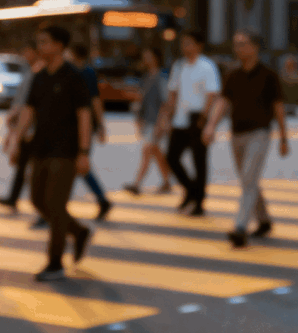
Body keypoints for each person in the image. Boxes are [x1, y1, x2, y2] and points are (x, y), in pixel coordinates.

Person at [5, 25, 92, 282]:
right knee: (37, 200)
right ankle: (78, 231)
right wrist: (16, 141)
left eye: (44, 42)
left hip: (65, 152)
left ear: (58, 46)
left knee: (55, 205)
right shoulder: (40, 77)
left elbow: (84, 116)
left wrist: (84, 151)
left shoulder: (74, 78)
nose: (39, 47)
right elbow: (28, 112)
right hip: (40, 148)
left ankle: (55, 263)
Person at [202, 31, 289, 248]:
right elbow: (223, 102)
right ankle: (264, 220)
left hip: (259, 133)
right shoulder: (233, 75)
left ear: (255, 47)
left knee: (249, 178)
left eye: (243, 44)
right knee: (248, 180)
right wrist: (211, 126)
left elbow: (278, 107)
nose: (238, 48)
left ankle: (240, 227)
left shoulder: (268, 75)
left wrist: (284, 137)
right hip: (237, 134)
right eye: (236, 44)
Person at [159, 31, 220, 216]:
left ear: (199, 45)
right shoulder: (179, 66)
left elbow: (212, 94)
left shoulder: (207, 66)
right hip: (180, 119)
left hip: (198, 117)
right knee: (171, 157)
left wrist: (205, 118)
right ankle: (191, 190)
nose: (185, 47)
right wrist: (167, 116)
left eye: (189, 43)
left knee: (199, 161)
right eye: (183, 43)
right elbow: (173, 92)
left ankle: (198, 201)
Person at [0, 42, 43, 213]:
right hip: (26, 125)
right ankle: (14, 197)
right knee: (22, 165)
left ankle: (39, 206)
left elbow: (27, 104)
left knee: (30, 167)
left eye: (27, 50)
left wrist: (18, 130)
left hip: (31, 127)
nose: (24, 54)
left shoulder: (38, 73)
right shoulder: (31, 71)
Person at [67, 43, 112, 220]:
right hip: (77, 125)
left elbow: (95, 100)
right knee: (78, 167)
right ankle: (102, 200)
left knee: (76, 165)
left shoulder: (84, 73)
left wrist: (100, 125)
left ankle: (55, 207)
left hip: (81, 126)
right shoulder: (82, 72)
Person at [123, 46, 172, 195]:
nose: (145, 59)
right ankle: (167, 181)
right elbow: (142, 100)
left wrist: (162, 122)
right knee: (155, 152)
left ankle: (137, 184)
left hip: (157, 121)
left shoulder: (161, 77)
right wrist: (139, 118)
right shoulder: (146, 77)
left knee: (147, 151)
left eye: (148, 56)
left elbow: (166, 102)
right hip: (148, 120)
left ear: (156, 58)